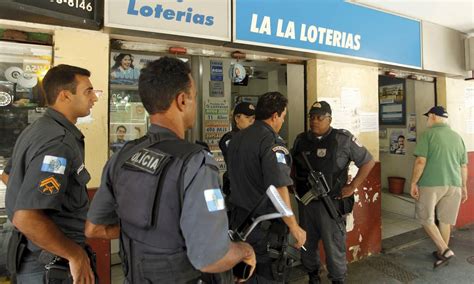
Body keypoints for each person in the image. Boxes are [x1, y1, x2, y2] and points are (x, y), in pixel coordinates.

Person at [85, 57, 255, 283]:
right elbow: (209, 258)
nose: (194, 102)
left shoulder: (123, 155)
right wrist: (244, 251)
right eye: (194, 97)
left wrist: (149, 233)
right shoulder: (195, 162)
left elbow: (94, 229)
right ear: (182, 100)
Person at [5, 64, 98, 283]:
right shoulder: (57, 143)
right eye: (88, 91)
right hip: (50, 264)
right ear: (65, 95)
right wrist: (75, 256)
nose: (94, 98)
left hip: (34, 256)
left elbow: (8, 176)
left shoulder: (38, 129)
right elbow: (27, 217)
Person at [291, 101, 375, 284]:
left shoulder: (342, 139)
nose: (314, 121)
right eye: (311, 117)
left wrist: (352, 186)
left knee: (333, 246)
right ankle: (313, 275)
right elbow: (293, 166)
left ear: (329, 118)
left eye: (319, 117)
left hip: (331, 206)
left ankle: (338, 279)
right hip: (306, 205)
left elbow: (368, 161)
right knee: (307, 244)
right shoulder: (300, 140)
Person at [227, 91, 306, 283]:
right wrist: (294, 226)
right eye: (283, 116)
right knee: (267, 274)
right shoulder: (272, 142)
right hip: (263, 228)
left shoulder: (236, 139)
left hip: (238, 221)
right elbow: (279, 187)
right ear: (275, 116)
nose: (283, 121)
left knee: (245, 273)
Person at [410, 106, 468, 269]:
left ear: (433, 116)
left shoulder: (428, 135)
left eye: (428, 117)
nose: (427, 120)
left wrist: (414, 182)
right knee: (445, 220)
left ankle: (444, 249)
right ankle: (443, 253)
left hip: (431, 184)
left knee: (425, 218)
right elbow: (463, 165)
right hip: (454, 184)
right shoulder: (457, 137)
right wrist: (463, 186)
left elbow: (421, 161)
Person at [219, 102, 256, 195]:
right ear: (237, 118)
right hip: (237, 190)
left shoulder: (253, 137)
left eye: (253, 118)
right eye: (247, 117)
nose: (251, 121)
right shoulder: (230, 138)